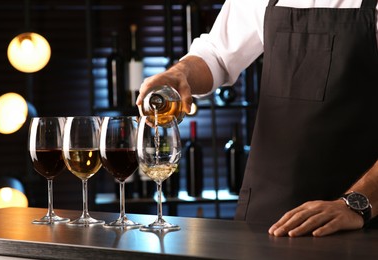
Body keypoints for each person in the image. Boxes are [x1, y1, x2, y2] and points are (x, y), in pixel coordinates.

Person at [136, 0, 378, 237]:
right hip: (268, 208)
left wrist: (357, 203)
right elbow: (218, 54)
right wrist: (181, 72)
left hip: (356, 213)